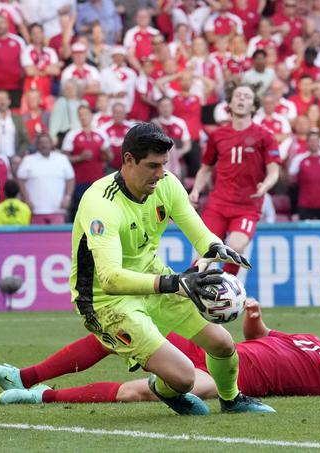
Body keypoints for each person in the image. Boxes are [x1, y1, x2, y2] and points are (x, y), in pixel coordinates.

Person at [25, 121, 272, 415]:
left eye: (164, 164)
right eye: (153, 166)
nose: (161, 174)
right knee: (184, 378)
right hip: (105, 300)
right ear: (128, 160)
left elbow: (198, 231)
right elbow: (110, 278)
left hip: (153, 278)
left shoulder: (166, 183)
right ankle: (161, 388)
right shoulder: (100, 203)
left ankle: (231, 400)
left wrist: (215, 246)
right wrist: (174, 283)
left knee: (222, 343)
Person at [0, 299, 320, 404]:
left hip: (223, 380)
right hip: (211, 350)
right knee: (119, 334)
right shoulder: (315, 341)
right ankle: (26, 375)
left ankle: (41, 396)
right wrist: (252, 314)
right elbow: (262, 333)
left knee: (140, 392)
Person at [189, 85, 281, 276]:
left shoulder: (265, 136)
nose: (241, 99)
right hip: (219, 203)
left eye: (246, 97)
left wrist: (266, 185)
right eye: (237, 96)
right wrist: (196, 190)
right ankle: (191, 298)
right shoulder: (218, 135)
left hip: (247, 205)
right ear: (230, 104)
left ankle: (229, 292)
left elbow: (274, 170)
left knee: (235, 246)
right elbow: (206, 168)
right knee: (204, 253)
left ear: (254, 106)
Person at [16, 133, 74, 225]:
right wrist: (26, 199)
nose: (44, 145)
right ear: (37, 145)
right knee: (37, 239)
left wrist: (67, 197)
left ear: (51, 144)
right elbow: (19, 179)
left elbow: (71, 178)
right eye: (41, 143)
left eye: (46, 142)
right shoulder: (28, 160)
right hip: (35, 211)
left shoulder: (62, 159)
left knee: (58, 239)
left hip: (58, 210)